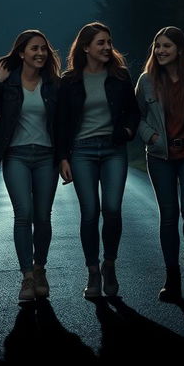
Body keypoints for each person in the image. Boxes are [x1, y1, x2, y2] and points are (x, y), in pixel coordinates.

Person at [0, 29, 61, 303]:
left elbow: (65, 124)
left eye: (43, 49)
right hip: (16, 156)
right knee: (23, 213)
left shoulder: (53, 85)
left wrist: (66, 156)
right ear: (21, 53)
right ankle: (26, 278)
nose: (40, 53)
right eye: (34, 48)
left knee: (43, 216)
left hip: (47, 156)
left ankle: (40, 269)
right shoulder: (8, 82)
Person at [56, 22, 140, 299]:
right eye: (101, 43)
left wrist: (127, 130)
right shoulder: (68, 81)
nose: (107, 47)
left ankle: (110, 265)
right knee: (90, 212)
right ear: (86, 47)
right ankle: (93, 272)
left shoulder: (120, 76)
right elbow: (61, 123)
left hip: (114, 149)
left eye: (109, 42)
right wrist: (63, 158)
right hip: (82, 152)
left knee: (112, 209)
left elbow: (133, 112)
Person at [135, 27, 184, 302]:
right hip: (160, 157)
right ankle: (172, 278)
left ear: (179, 49)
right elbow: (137, 117)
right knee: (168, 217)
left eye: (166, 46)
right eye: (157, 46)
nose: (160, 51)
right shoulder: (146, 81)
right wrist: (152, 137)